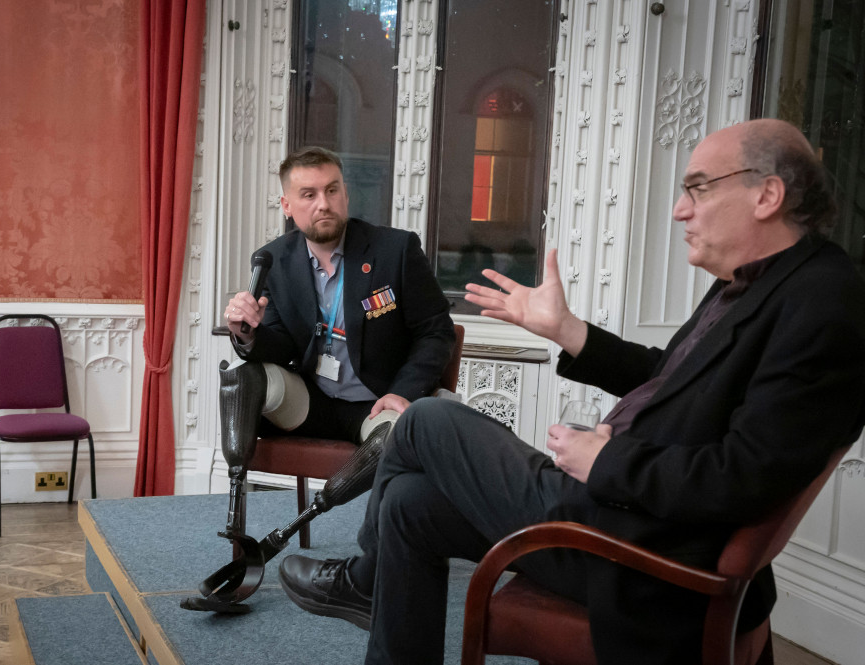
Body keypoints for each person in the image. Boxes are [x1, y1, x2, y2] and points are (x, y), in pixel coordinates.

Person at [277, 119, 865, 664]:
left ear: (767, 196)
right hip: (620, 512)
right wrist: (566, 330)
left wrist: (609, 459)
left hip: (642, 551)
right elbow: (671, 380)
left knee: (427, 419)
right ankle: (373, 597)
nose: (681, 209)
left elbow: (744, 477)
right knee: (408, 505)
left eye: (700, 188)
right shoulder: (752, 286)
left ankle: (361, 579)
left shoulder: (822, 303)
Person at [217, 146, 456, 540]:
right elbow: (281, 350)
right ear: (287, 205)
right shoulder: (274, 259)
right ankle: (235, 508)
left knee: (399, 435)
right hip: (313, 400)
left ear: (345, 194)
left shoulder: (394, 250)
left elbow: (436, 330)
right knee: (243, 376)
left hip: (376, 401)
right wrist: (248, 332)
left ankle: (314, 513)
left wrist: (403, 391)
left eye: (332, 191)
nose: (323, 204)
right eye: (309, 195)